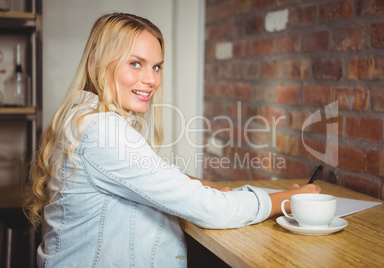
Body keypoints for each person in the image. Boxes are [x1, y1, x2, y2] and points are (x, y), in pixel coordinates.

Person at [24, 13, 320, 267]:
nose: (152, 79)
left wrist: (202, 184)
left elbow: (146, 174)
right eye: (136, 63)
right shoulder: (102, 130)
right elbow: (211, 209)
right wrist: (289, 201)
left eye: (156, 66)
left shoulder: (84, 116)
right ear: (96, 63)